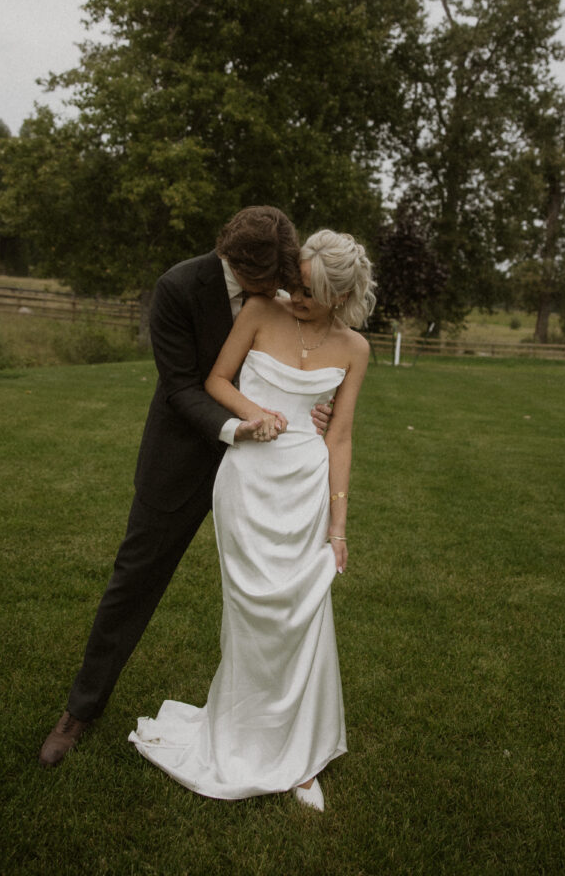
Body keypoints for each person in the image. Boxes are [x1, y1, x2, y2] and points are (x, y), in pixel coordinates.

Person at [39, 206, 332, 768]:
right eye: (265, 282)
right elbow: (178, 387)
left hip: (267, 476)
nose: (278, 291)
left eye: (282, 280)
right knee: (133, 582)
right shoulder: (177, 287)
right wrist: (235, 427)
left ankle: (274, 729)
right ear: (234, 262)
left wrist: (320, 405)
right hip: (180, 461)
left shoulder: (283, 284)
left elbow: (316, 350)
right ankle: (80, 709)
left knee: (276, 599)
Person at [129, 230, 376, 811]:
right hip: (248, 483)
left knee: (303, 614)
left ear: (340, 297)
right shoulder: (263, 311)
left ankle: (302, 754)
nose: (295, 291)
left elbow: (338, 435)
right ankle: (240, 737)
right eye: (296, 279)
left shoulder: (356, 349)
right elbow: (215, 380)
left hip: (306, 489)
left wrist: (338, 527)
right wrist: (254, 415)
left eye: (311, 289)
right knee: (252, 614)